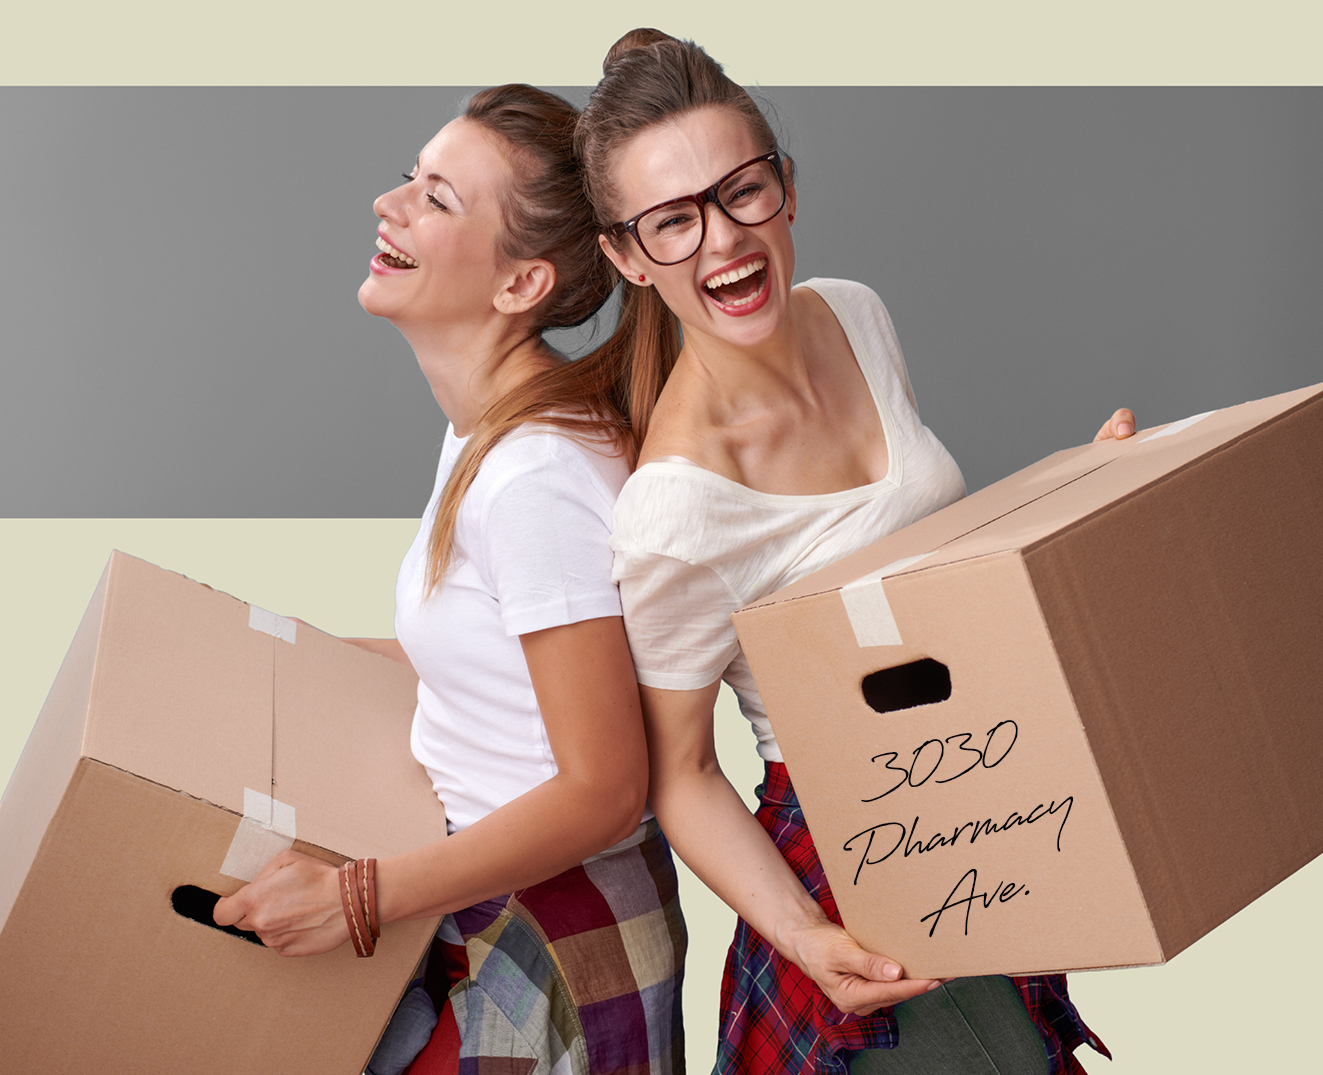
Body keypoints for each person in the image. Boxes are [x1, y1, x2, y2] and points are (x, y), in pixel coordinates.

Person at [576, 30, 1131, 1075]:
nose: (721, 240)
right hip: (851, 864)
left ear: (786, 187)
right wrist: (804, 938)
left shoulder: (855, 313)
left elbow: (920, 566)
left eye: (740, 191)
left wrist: (1078, 503)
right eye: (673, 221)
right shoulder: (675, 510)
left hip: (986, 794)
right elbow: (681, 774)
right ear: (628, 257)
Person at [212, 84, 685, 1075]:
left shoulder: (536, 474)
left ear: (520, 284)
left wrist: (357, 898)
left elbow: (606, 788)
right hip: (484, 898)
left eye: (436, 198)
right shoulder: (494, 431)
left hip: (549, 927)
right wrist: (249, 656)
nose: (388, 205)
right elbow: (493, 669)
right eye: (409, 178)